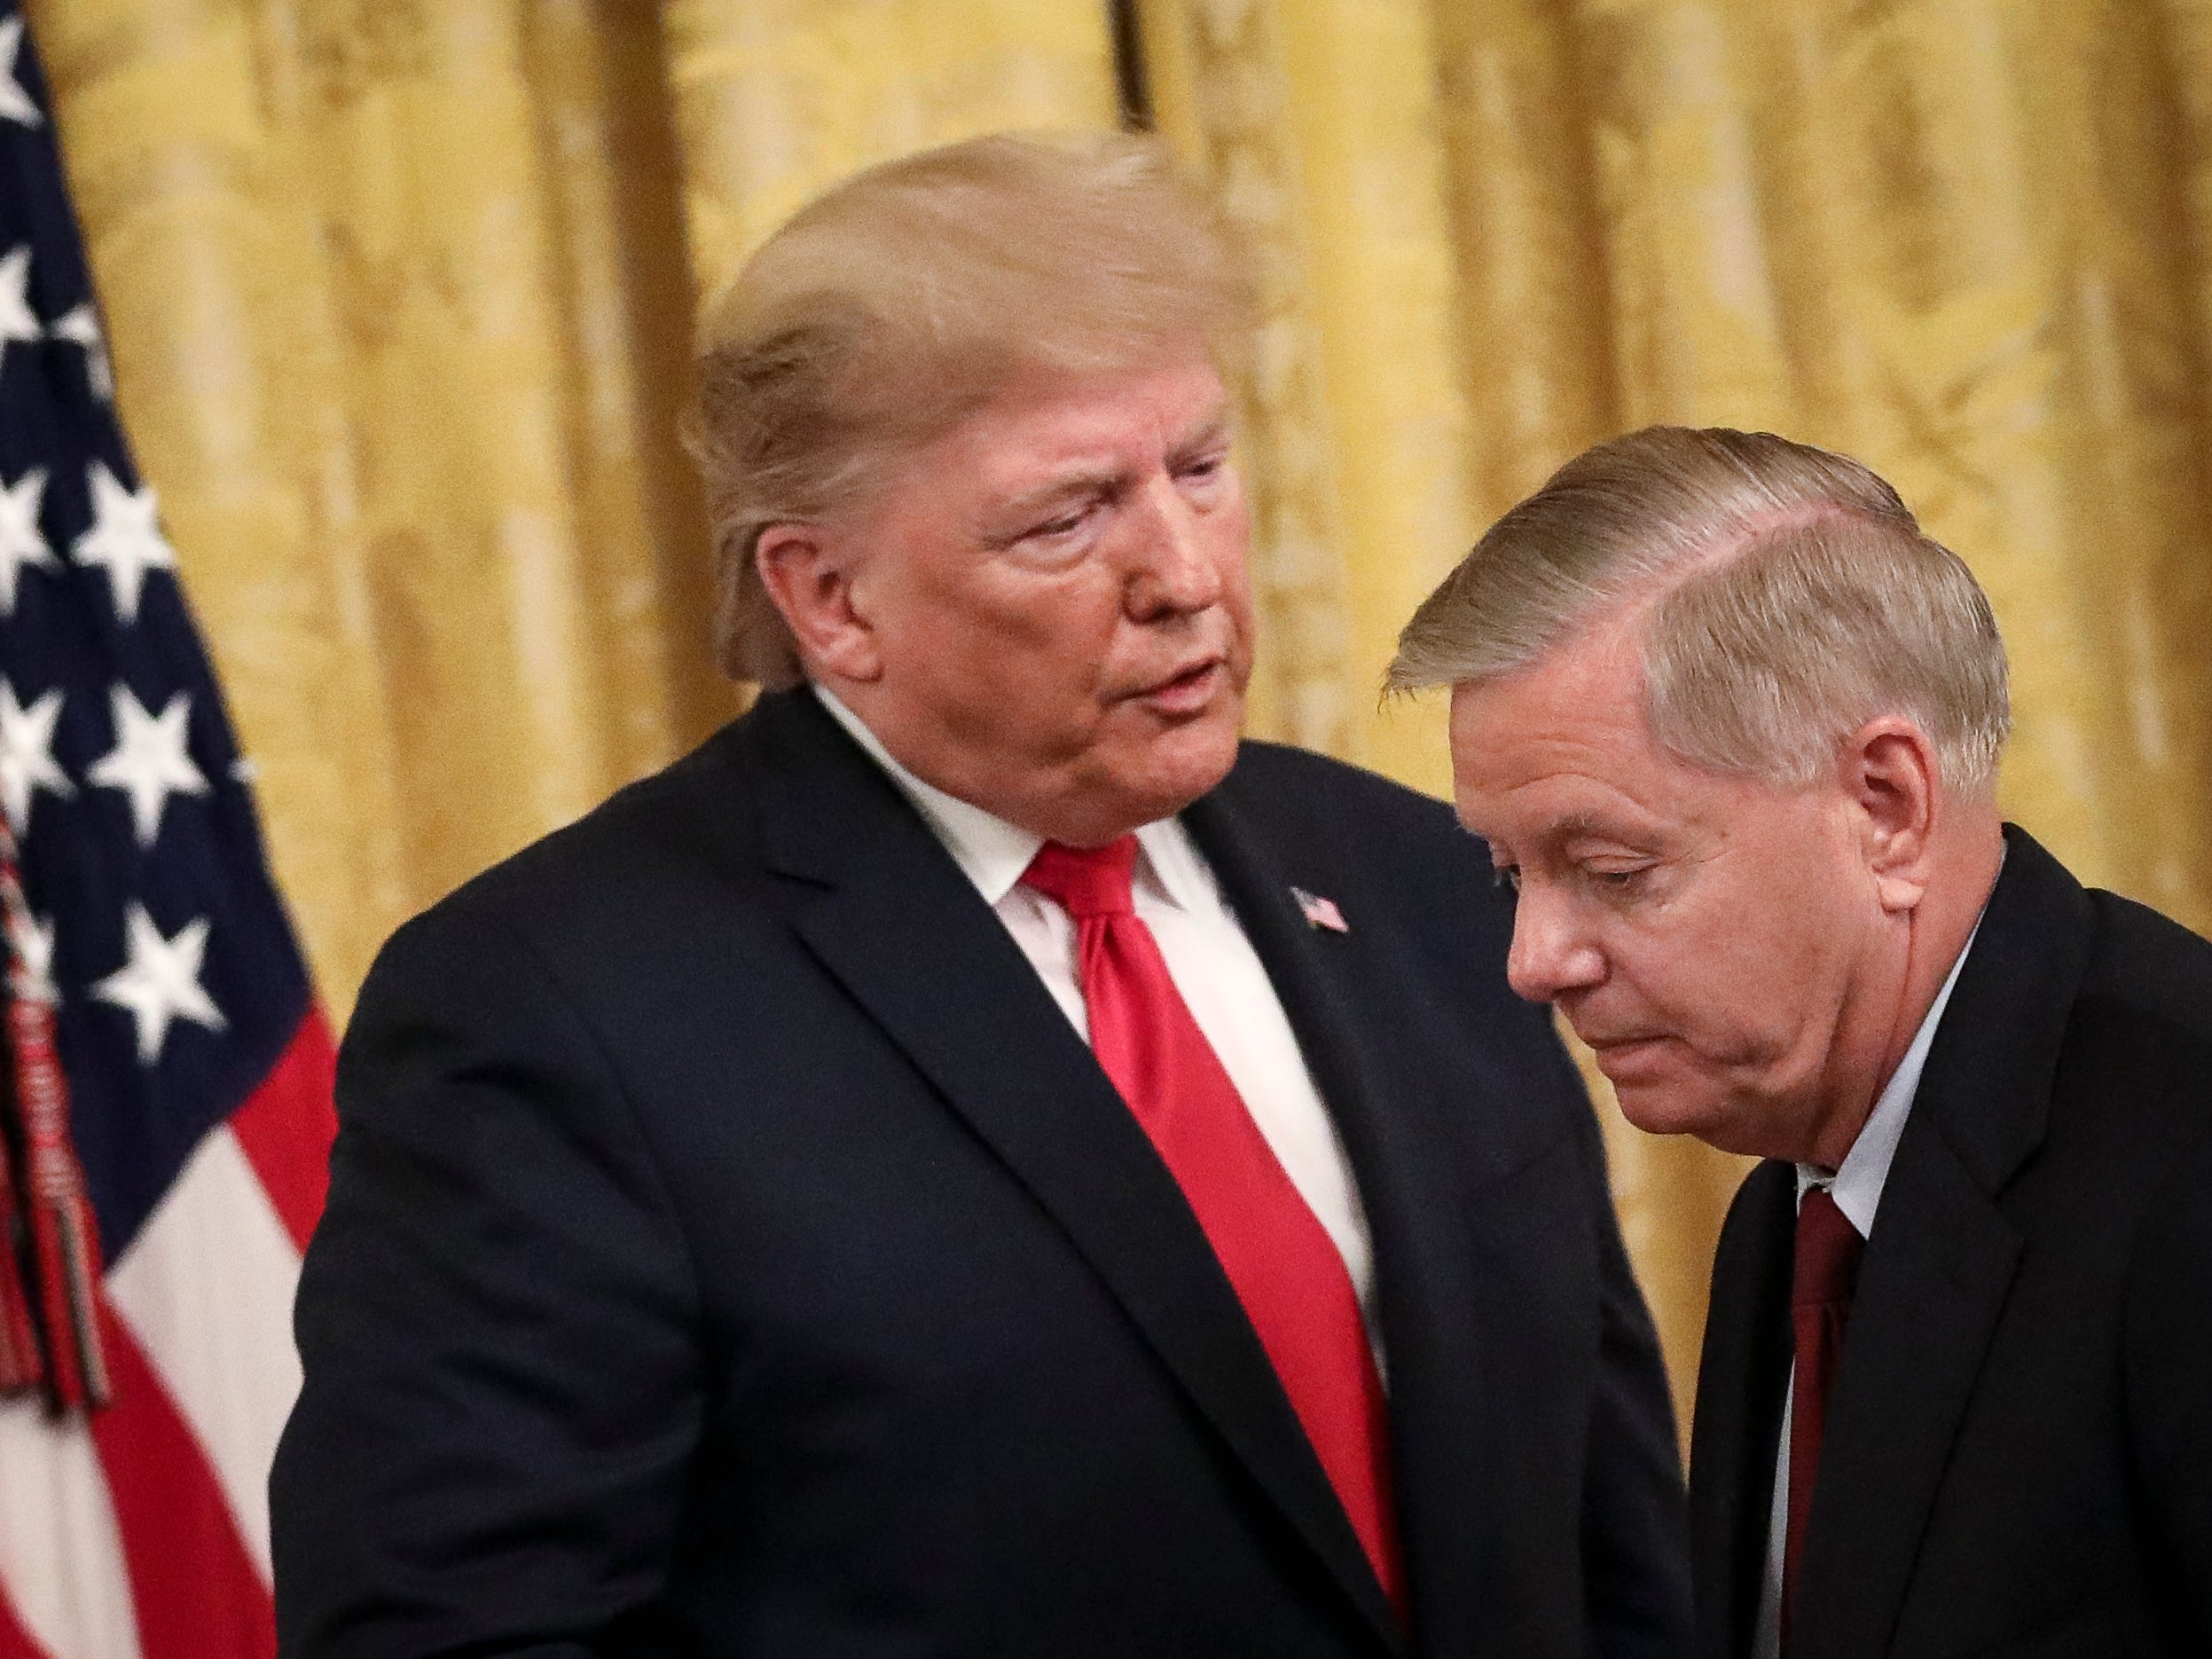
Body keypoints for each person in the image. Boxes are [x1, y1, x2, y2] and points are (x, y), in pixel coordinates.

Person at [270, 132, 1691, 1659]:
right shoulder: (552, 1008)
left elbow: (1605, 1546)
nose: (1184, 573)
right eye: (1065, 518)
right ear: (828, 598)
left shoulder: (1417, 878)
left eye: (1199, 469)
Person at [1390, 423, 2212, 1659]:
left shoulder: (2183, 1155)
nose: (1533, 960)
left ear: (1884, 805)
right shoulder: (1797, 1206)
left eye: (1611, 866)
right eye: (1513, 875)